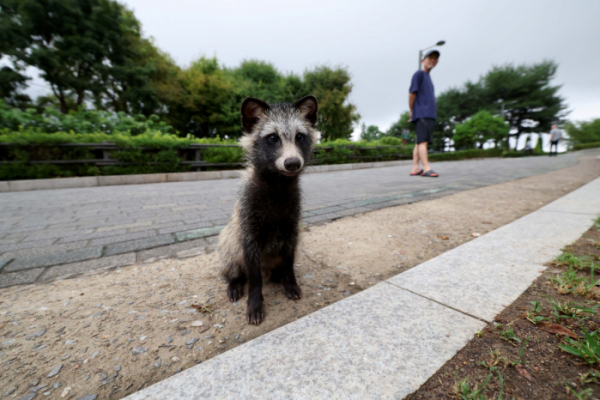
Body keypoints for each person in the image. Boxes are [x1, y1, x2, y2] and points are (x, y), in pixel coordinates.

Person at [409, 49, 439, 177]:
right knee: (423, 142)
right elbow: (412, 94)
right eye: (429, 58)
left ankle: (416, 167)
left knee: (419, 141)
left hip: (428, 114)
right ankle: (426, 167)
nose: (432, 60)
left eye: (435, 59)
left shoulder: (428, 77)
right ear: (423, 60)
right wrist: (412, 111)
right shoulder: (419, 74)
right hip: (422, 113)